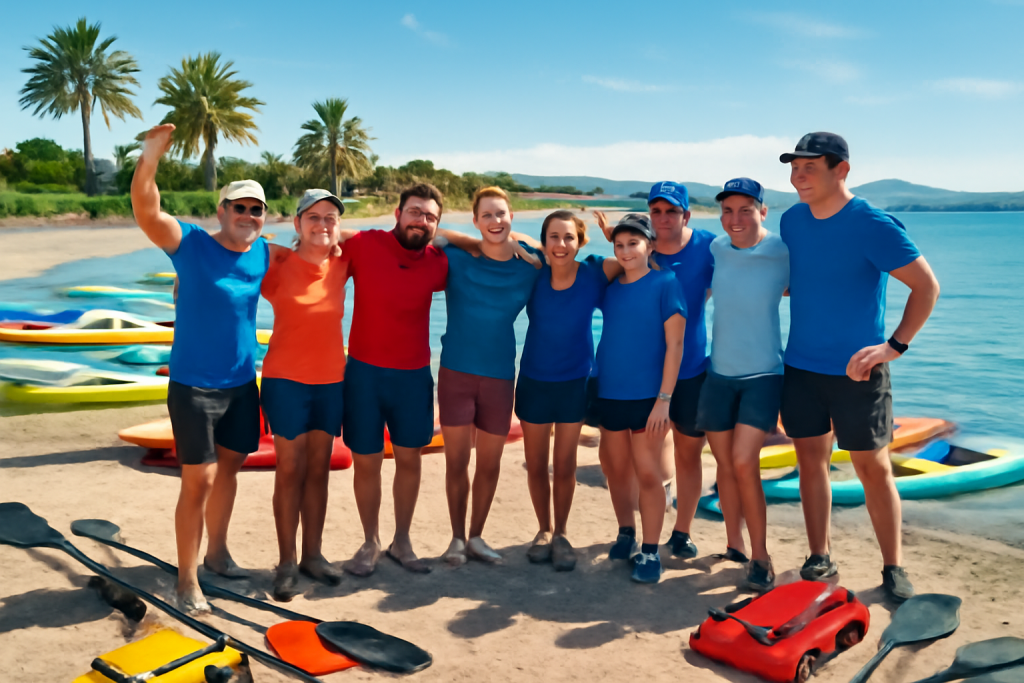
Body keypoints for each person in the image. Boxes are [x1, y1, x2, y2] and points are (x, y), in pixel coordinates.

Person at [778, 132, 940, 602]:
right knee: (811, 462)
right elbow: (802, 276)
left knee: (874, 468)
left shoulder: (872, 224)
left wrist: (894, 347)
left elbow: (926, 288)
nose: (798, 175)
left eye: (809, 167)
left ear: (841, 170)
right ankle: (819, 555)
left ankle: (893, 566)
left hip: (859, 372)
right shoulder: (791, 221)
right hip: (801, 367)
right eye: (794, 167)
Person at [131, 124, 268, 613]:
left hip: (240, 386)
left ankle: (217, 553)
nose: (248, 216)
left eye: (256, 210)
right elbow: (146, 210)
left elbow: (315, 259)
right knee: (200, 479)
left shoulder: (263, 253)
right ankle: (186, 579)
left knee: (230, 470)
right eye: (240, 207)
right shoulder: (190, 244)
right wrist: (151, 157)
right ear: (222, 211)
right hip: (193, 387)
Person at [596, 183, 716, 562]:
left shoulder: (708, 247)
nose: (664, 218)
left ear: (686, 215)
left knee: (688, 455)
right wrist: (623, 242)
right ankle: (634, 530)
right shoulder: (625, 269)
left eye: (672, 211)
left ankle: (681, 531)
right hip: (636, 381)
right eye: (657, 212)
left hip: (691, 368)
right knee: (632, 462)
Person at [339, 183, 448, 577]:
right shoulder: (365, 245)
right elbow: (321, 240)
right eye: (415, 212)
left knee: (409, 461)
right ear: (398, 213)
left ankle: (402, 541)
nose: (422, 221)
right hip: (364, 375)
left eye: (430, 216)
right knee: (365, 463)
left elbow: (488, 250)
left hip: (414, 376)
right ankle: (370, 541)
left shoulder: (439, 262)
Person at [439, 186, 543, 566]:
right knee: (455, 462)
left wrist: (521, 242)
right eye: (487, 215)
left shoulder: (528, 269)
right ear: (475, 221)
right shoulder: (457, 258)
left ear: (512, 216)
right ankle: (454, 538)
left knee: (490, 464)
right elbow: (436, 236)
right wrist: (469, 240)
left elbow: (560, 252)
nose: (495, 221)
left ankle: (476, 537)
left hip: (500, 378)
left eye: (501, 214)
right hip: (455, 374)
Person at [697, 178, 789, 591]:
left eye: (745, 210)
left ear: (763, 212)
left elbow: (812, 287)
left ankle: (761, 558)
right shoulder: (716, 248)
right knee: (724, 467)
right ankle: (734, 546)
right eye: (728, 210)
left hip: (764, 376)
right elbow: (670, 242)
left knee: (742, 463)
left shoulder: (782, 251)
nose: (735, 219)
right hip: (718, 375)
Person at [516, 210, 620, 571]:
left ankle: (561, 533)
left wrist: (613, 236)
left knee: (564, 466)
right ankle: (542, 530)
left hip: (575, 382)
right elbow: (506, 235)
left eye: (569, 237)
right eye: (553, 237)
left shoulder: (595, 271)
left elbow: (639, 257)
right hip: (533, 379)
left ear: (580, 242)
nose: (561, 245)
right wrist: (529, 246)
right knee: (535, 465)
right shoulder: (533, 272)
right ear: (544, 242)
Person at [260, 189, 348, 600]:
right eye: (313, 217)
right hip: (285, 381)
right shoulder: (276, 262)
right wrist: (182, 280)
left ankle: (313, 554)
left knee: (319, 470)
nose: (322, 224)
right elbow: (225, 255)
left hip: (331, 380)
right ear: (297, 223)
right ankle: (286, 562)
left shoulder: (345, 261)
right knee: (289, 470)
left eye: (330, 217)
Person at [594, 214, 685, 583]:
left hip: (649, 397)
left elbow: (675, 344)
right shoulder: (611, 286)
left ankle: (650, 551)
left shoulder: (666, 283)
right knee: (615, 471)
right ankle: (625, 532)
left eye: (634, 243)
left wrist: (664, 399)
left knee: (648, 473)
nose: (627, 251)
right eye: (620, 244)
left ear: (650, 245)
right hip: (609, 392)